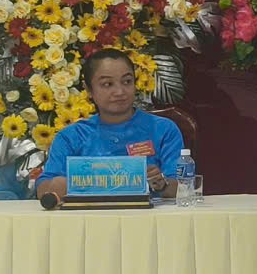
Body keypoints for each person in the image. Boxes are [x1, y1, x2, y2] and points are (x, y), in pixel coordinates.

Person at [34, 49, 184, 199]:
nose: (119, 91)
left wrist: (161, 184)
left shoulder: (163, 129)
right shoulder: (71, 136)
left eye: (127, 81)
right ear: (88, 90)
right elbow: (44, 188)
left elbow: (183, 187)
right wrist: (63, 185)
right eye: (107, 84)